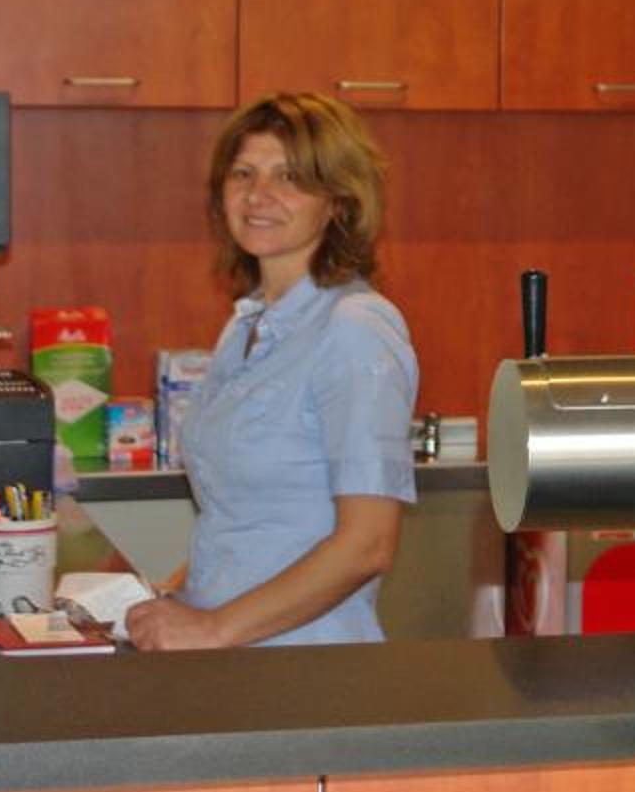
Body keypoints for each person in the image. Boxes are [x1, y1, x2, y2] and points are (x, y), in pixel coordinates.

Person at [126, 93, 418, 651]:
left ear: (337, 202)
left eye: (289, 177)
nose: (258, 195)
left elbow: (368, 544)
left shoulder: (355, 328)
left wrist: (213, 627)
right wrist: (177, 594)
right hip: (233, 658)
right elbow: (243, 521)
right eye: (243, 173)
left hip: (304, 667)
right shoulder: (246, 325)